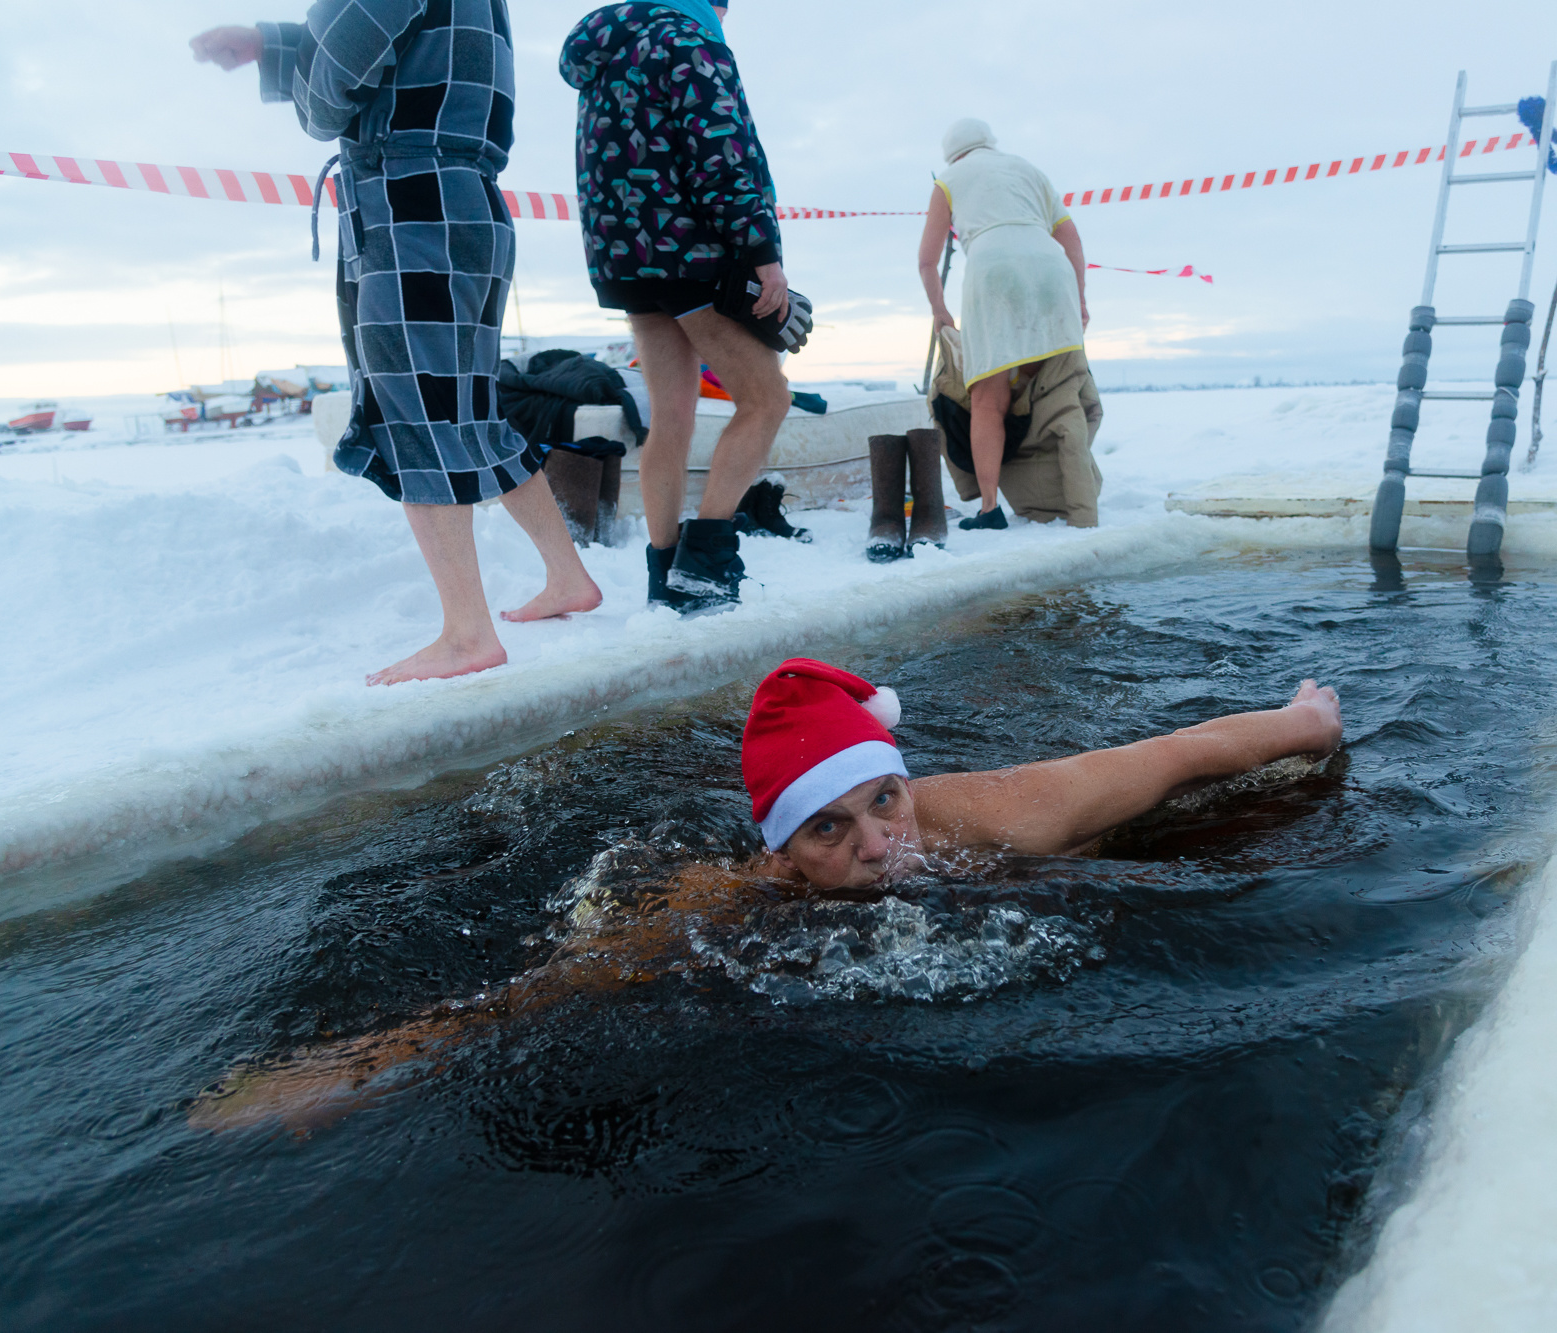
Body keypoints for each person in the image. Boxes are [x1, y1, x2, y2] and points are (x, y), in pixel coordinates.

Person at [192, 657, 1341, 1131]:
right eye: (829, 830)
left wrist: (1298, 725)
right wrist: (367, 1062)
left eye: (882, 804)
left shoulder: (992, 810)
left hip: (1066, 846)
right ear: (783, 853)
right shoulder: (736, 895)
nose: (875, 843)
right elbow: (548, 988)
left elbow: (1178, 752)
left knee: (1237, 831)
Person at [191, 3, 602, 686]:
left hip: (409, 203)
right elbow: (397, 41)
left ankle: (468, 634)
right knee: (471, 413)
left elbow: (330, 93)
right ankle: (568, 577)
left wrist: (291, 60)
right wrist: (269, 44)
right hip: (466, 199)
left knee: (418, 414)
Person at [559, 1, 796, 614]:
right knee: (767, 397)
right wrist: (760, 249)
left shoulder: (604, 49)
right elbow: (724, 149)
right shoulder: (691, 39)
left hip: (624, 260)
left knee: (672, 416)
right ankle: (707, 558)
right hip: (688, 252)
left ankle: (664, 573)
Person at [917, 119, 1090, 531]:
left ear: (951, 153)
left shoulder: (949, 178)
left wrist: (940, 311)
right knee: (1055, 386)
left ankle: (990, 508)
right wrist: (1080, 299)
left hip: (992, 272)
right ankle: (1077, 499)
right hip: (1052, 270)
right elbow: (1073, 241)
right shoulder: (1028, 170)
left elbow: (927, 259)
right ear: (990, 144)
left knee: (988, 400)